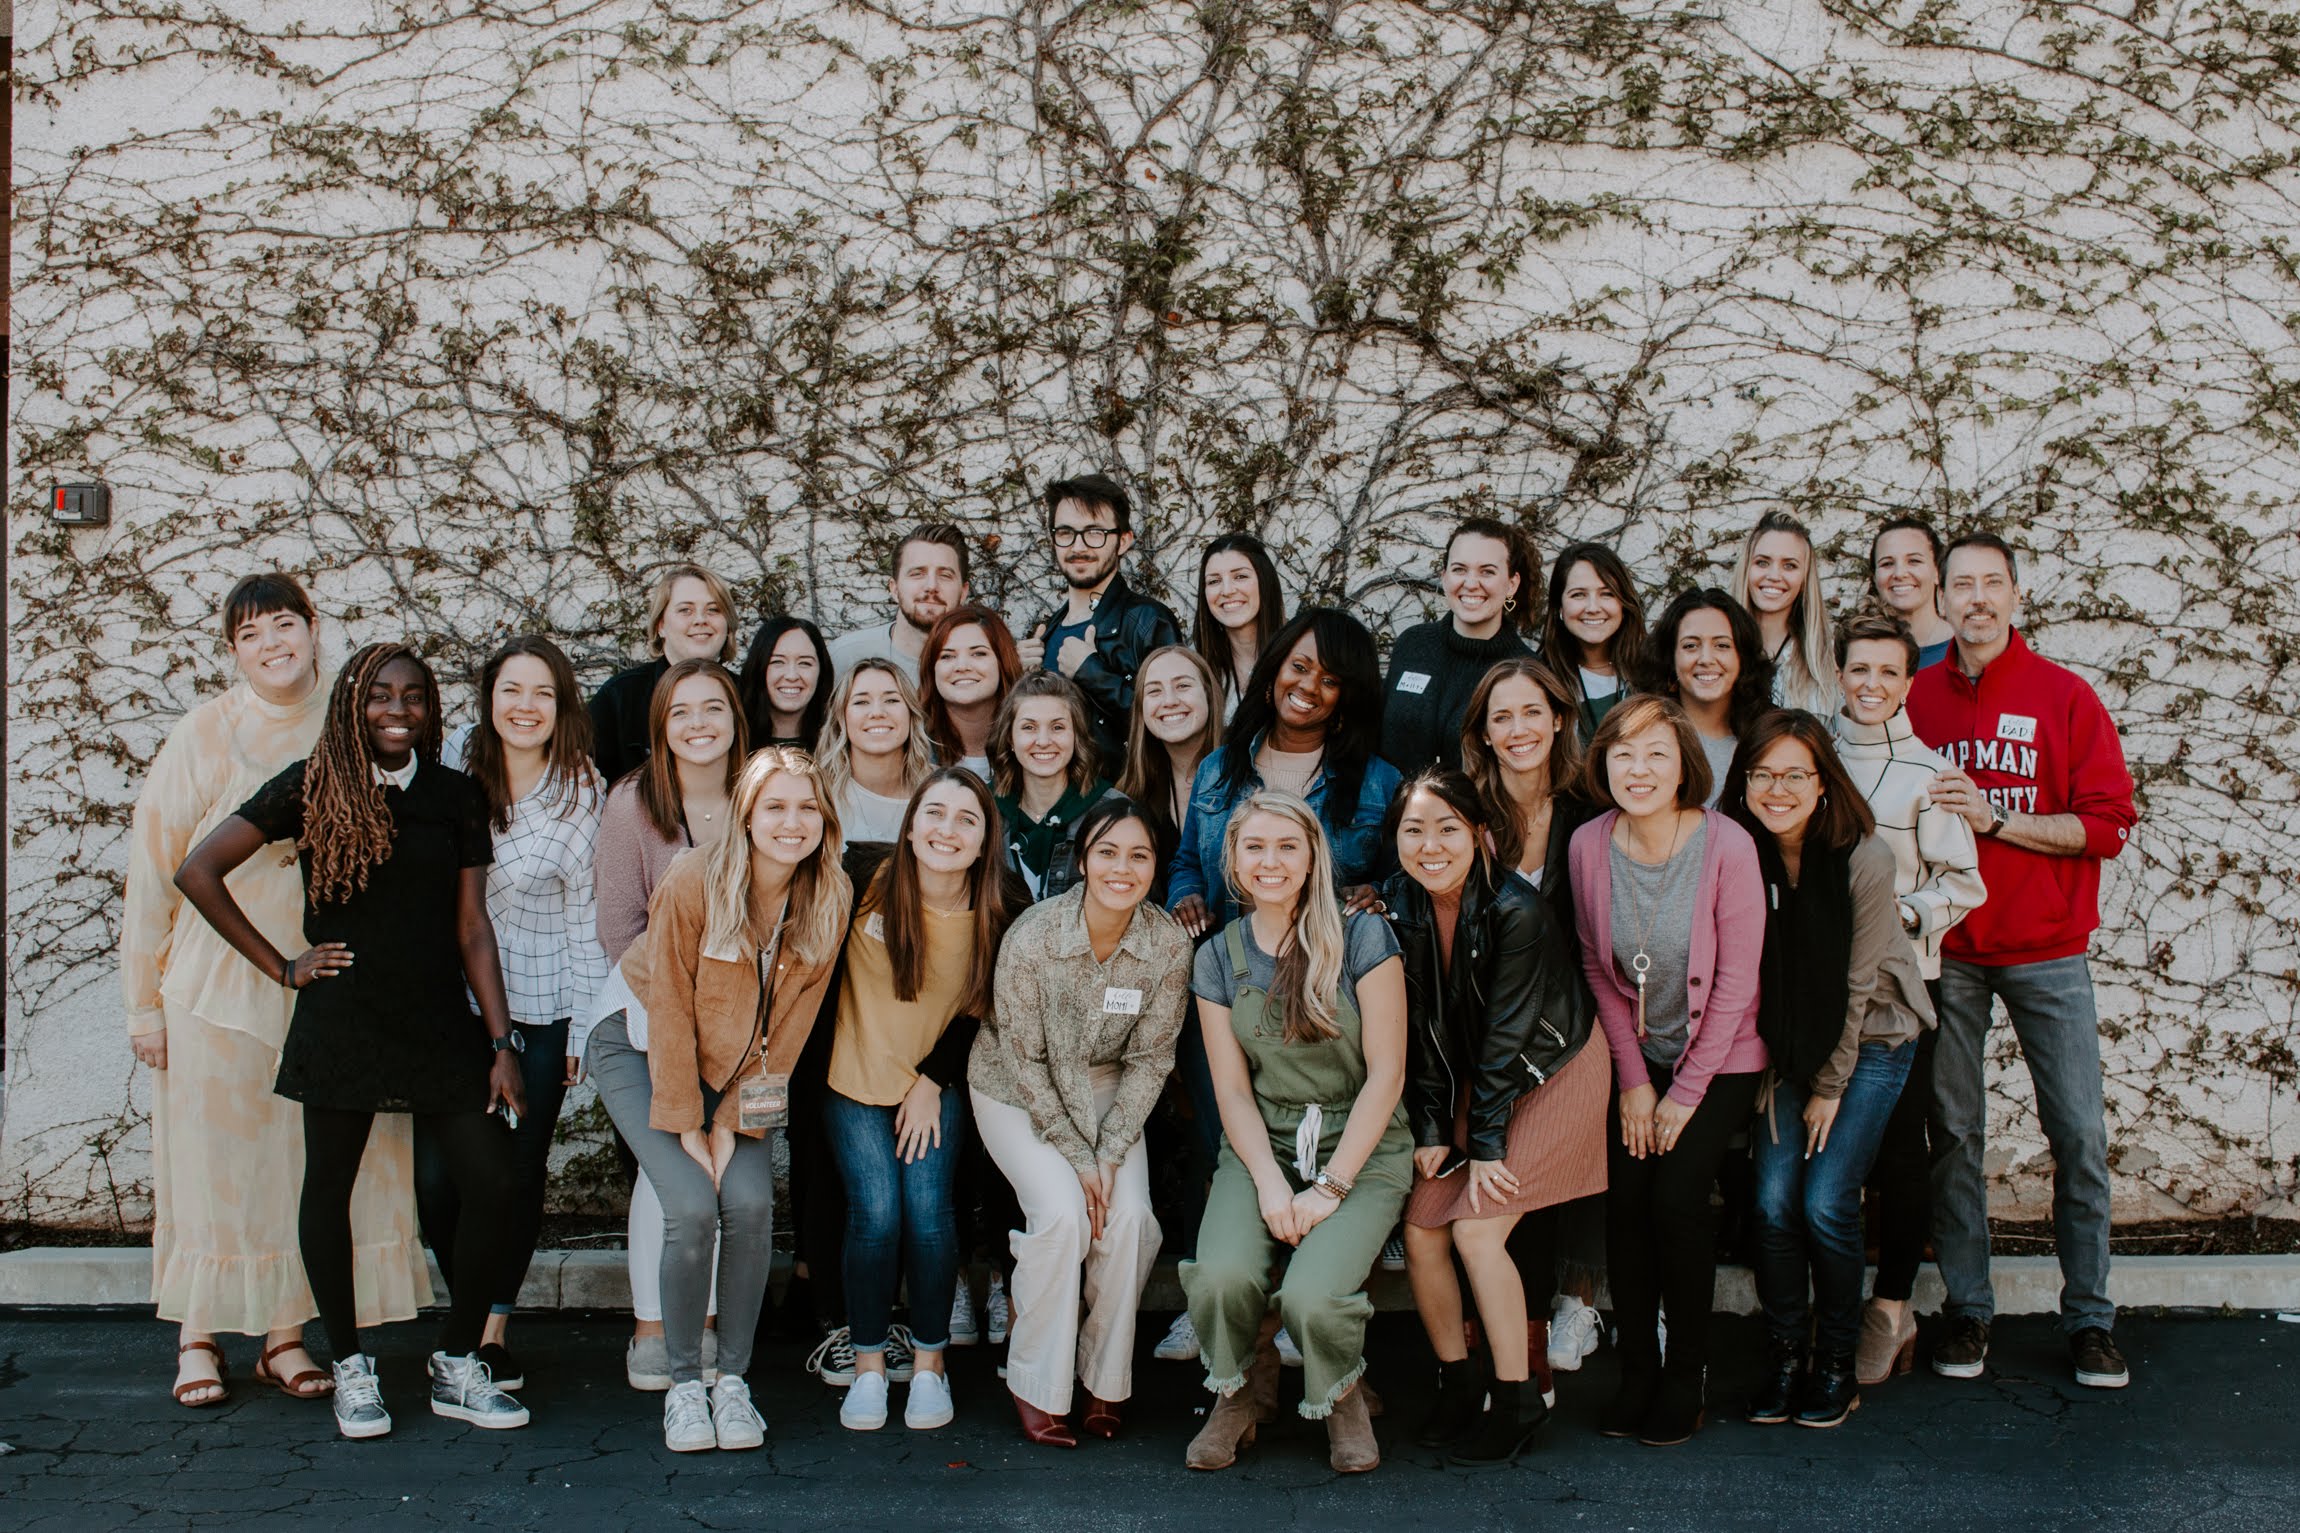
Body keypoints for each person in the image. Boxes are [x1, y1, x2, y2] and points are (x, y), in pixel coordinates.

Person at [174, 642, 530, 1440]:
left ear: (430, 709)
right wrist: (283, 966)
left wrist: (502, 1041)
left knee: (494, 1185)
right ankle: (351, 1365)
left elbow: (473, 926)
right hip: (345, 1022)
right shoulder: (311, 785)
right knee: (326, 1190)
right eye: (379, 695)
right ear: (351, 705)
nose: (398, 710)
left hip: (441, 1021)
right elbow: (198, 870)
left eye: (413, 696)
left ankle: (456, 1359)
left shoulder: (454, 794)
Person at [123, 575, 429, 1411]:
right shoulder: (205, 733)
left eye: (284, 624)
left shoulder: (352, 719)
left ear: (314, 629)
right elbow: (158, 871)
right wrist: (142, 1006)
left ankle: (284, 1336)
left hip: (327, 985)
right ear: (233, 650)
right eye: (251, 633)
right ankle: (198, 1336)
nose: (271, 643)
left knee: (301, 1167)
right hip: (217, 988)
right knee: (215, 1166)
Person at [1906, 533, 2137, 1390]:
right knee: (1955, 1135)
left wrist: (1998, 820)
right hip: (1951, 951)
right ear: (1942, 597)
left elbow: (2107, 825)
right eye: (1960, 585)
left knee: (2077, 1132)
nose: (1975, 599)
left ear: (2014, 592)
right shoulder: (1917, 697)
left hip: (2047, 950)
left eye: (1990, 583)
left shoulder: (2063, 696)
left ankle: (2090, 1318)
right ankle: (1968, 1309)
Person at [588, 747, 851, 1451]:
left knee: (753, 1202)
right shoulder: (694, 877)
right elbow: (671, 1006)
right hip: (638, 1041)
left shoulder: (830, 894)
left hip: (737, 1065)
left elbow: (788, 1027)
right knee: (691, 1203)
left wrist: (733, 1117)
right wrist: (688, 1123)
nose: (792, 823)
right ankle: (683, 1384)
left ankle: (731, 1381)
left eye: (807, 808)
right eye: (775, 806)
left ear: (825, 820)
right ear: (745, 813)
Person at [1177, 794, 1408, 1474]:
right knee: (1220, 1277)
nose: (1270, 861)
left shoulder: (1363, 936)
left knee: (1313, 1295)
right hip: (1264, 1141)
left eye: (1287, 846)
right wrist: (1275, 1186)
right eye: (1254, 847)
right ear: (1233, 860)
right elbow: (1232, 1091)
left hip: (1360, 1143)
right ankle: (1242, 1390)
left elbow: (1387, 1073)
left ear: (1313, 857)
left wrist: (1330, 1186)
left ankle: (1343, 1398)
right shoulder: (1218, 956)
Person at [1385, 772, 1604, 1467]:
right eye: (1414, 829)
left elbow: (1509, 1037)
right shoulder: (1402, 906)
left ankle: (1519, 1397)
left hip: (1553, 1070)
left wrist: (1482, 1147)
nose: (1430, 844)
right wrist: (1428, 1132)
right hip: (1479, 1082)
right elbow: (1420, 1035)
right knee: (1422, 1229)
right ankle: (1460, 1378)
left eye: (1448, 827)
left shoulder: (1517, 909)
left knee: (1478, 1231)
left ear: (1481, 834)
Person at [1725, 711, 1934, 1430]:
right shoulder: (1739, 850)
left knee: (1824, 1202)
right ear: (1744, 780)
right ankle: (1787, 1355)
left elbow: (1856, 984)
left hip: (1870, 1039)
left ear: (1823, 783)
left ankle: (1836, 1362)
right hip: (1786, 1042)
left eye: (1794, 775)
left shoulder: (1863, 856)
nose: (1776, 788)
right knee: (1775, 1202)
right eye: (1762, 774)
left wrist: (1829, 1086)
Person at [1568, 695, 1766, 1447]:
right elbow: (1596, 964)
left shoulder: (1727, 845)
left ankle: (1687, 1374)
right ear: (1603, 764)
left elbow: (1738, 982)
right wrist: (1635, 1082)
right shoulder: (1589, 844)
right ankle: (1637, 1372)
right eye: (1623, 753)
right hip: (1639, 1059)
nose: (1638, 768)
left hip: (1721, 1058)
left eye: (1656, 753)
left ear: (1685, 762)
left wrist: (1682, 1093)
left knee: (1678, 1197)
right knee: (1627, 1205)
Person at [970, 797, 1192, 1446]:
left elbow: (1151, 1060)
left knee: (1128, 1220)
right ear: (1083, 860)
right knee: (1064, 1214)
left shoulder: (1166, 945)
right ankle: (1034, 1378)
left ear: (1156, 866)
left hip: (1108, 1090)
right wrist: (1078, 1155)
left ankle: (1104, 1375)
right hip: (1016, 1089)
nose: (1123, 867)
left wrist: (1112, 1148)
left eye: (1139, 854)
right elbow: (1025, 1058)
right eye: (1108, 852)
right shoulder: (1035, 936)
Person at [430, 636, 610, 1391]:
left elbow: (585, 914)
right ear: (489, 697)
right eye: (511, 690)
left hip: (537, 1007)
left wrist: (580, 1023)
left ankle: (490, 1329)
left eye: (542, 692)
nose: (525, 706)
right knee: (438, 1181)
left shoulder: (581, 790)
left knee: (515, 1173)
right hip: (447, 1005)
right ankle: (466, 1306)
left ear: (561, 704)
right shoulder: (450, 764)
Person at [826, 769, 1017, 1432]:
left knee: (931, 1215)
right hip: (853, 1076)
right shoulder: (862, 880)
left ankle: (931, 1366)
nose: (947, 829)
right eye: (933, 813)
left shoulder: (998, 907)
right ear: (909, 826)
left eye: (967, 819)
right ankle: (871, 1366)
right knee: (876, 1213)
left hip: (936, 1085)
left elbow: (984, 1011)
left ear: (985, 837)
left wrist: (932, 1081)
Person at [1831, 611, 1986, 1387]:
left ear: (1907, 679)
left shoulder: (1930, 772)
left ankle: (1891, 1308)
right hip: (1819, 983)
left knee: (1898, 1150)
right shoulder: (1809, 759)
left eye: (1889, 672)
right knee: (1824, 1148)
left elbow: (1963, 883)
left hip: (1902, 981)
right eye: (1860, 668)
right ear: (1839, 670)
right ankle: (1824, 1311)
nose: (1872, 684)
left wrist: (1900, 919)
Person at [588, 656, 746, 1389]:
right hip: (645, 1009)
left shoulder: (765, 798)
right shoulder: (633, 804)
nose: (697, 725)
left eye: (712, 708)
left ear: (735, 718)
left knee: (723, 1173)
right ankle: (657, 1326)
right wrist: (676, 1016)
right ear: (659, 728)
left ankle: (706, 1321)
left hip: (742, 1020)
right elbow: (620, 929)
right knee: (670, 1170)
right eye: (679, 712)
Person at [1456, 657, 1607, 1373]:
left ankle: (1536, 1349)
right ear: (1483, 734)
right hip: (1491, 1028)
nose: (1518, 729)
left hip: (1576, 1028)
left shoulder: (1592, 808)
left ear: (1557, 719)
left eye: (1530, 712)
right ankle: (1499, 1351)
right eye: (1500, 717)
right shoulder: (1467, 814)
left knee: (1534, 1182)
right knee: (1491, 1185)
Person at [1169, 607, 1401, 938]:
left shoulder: (1380, 784)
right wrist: (1185, 896)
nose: (1307, 686)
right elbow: (1187, 863)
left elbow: (1402, 879)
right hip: (1225, 973)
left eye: (1329, 680)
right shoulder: (1216, 769)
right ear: (1276, 667)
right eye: (1299, 667)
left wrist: (1377, 892)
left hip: (1333, 973)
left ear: (1346, 697)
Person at [1014, 473, 1185, 776]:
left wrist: (1092, 673)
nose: (1078, 546)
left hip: (1124, 812)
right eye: (1066, 532)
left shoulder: (1147, 621)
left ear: (1123, 541)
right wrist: (1020, 680)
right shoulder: (1047, 633)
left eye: (1094, 532)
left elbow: (1176, 725)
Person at [1379, 517, 1537, 773]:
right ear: (1444, 577)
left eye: (1487, 571)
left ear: (1511, 584)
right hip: (1389, 811)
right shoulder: (1413, 645)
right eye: (1460, 569)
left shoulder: (1525, 670)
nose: (1471, 583)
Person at [588, 564, 739, 784]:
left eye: (713, 609)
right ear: (660, 625)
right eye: (685, 610)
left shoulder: (746, 694)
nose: (700, 620)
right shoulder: (620, 697)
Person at [1641, 588, 1773, 807]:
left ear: (1742, 657)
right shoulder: (1643, 738)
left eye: (1722, 645)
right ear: (1671, 658)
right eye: (1690, 646)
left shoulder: (1769, 737)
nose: (1706, 659)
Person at [1114, 645, 1225, 894]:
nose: (1170, 701)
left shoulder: (1246, 774)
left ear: (1208, 694)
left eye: (1183, 686)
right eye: (1154, 691)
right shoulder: (1133, 796)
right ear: (1141, 709)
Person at [991, 672, 1111, 901]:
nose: (1044, 741)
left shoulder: (1112, 811)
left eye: (1057, 727)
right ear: (1009, 739)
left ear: (1076, 735)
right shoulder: (984, 810)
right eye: (1029, 727)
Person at [828, 523, 974, 678]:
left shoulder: (980, 665)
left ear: (963, 591)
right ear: (894, 588)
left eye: (945, 575)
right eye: (917, 573)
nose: (931, 586)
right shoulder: (846, 656)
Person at [817, 658, 936, 844]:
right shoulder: (818, 794)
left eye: (891, 700)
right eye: (861, 702)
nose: (877, 712)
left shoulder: (939, 790)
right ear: (841, 717)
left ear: (911, 713)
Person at [1729, 512, 1838, 714]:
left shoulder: (1829, 659)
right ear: (1746, 569)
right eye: (1762, 562)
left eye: (1789, 565)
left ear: (1805, 578)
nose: (1774, 576)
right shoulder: (1719, 653)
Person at [1540, 543, 1646, 741]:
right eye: (1578, 595)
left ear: (1623, 603)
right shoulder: (1540, 681)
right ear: (1559, 607)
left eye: (1607, 594)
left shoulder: (1651, 676)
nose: (1593, 607)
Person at [920, 603, 1024, 783]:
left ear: (1002, 662)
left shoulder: (1032, 743)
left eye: (978, 654)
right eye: (947, 656)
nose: (962, 667)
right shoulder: (914, 748)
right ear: (932, 669)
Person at [1194, 534, 1285, 717]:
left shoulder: (1300, 655)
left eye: (1240, 576)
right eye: (1214, 581)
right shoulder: (1197, 667)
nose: (1227, 591)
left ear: (1264, 581)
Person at [1869, 517, 1955, 669]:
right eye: (1887, 564)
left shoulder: (1964, 648)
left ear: (1937, 572)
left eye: (1914, 561)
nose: (1900, 573)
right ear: (1875, 577)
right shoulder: (1859, 650)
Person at [736, 615, 834, 748]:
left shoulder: (837, 744)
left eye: (804, 663)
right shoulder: (733, 740)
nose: (792, 676)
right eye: (778, 662)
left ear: (821, 671)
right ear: (759, 667)